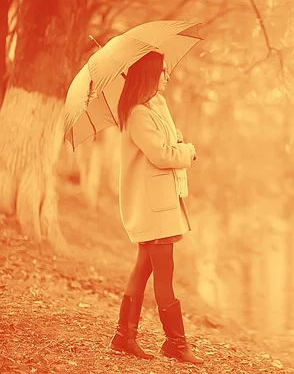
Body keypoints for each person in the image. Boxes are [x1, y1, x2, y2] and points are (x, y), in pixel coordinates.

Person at [109, 51, 202, 364]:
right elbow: (162, 155)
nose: (167, 76)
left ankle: (124, 335)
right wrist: (186, 151)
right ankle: (175, 343)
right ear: (148, 74)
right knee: (164, 274)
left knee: (144, 267)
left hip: (159, 203)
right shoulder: (138, 114)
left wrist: (176, 141)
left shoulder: (153, 108)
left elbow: (167, 141)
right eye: (162, 71)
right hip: (153, 207)